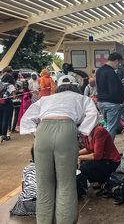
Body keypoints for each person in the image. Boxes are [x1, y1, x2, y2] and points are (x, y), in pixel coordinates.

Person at [20, 75, 98, 224]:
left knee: (44, 184)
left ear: (58, 87)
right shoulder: (82, 99)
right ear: (75, 86)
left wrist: (37, 132)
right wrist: (80, 130)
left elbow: (26, 118)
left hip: (43, 131)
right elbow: (93, 115)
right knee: (66, 184)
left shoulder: (46, 99)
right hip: (67, 130)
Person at [96, 52, 124, 141]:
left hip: (101, 102)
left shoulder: (99, 70)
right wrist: (120, 101)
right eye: (119, 63)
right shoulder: (111, 72)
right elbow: (114, 90)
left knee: (107, 126)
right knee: (111, 128)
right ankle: (108, 149)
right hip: (111, 103)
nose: (119, 65)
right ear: (116, 61)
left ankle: (103, 147)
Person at [10, 146, 37, 216]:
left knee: (21, 196)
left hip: (27, 204)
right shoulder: (47, 168)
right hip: (43, 204)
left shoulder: (26, 168)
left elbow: (23, 188)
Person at [0, 73, 16, 142]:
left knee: (0, 119)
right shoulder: (11, 86)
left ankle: (0, 135)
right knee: (5, 120)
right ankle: (4, 135)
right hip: (7, 103)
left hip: (0, 102)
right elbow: (14, 96)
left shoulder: (0, 84)